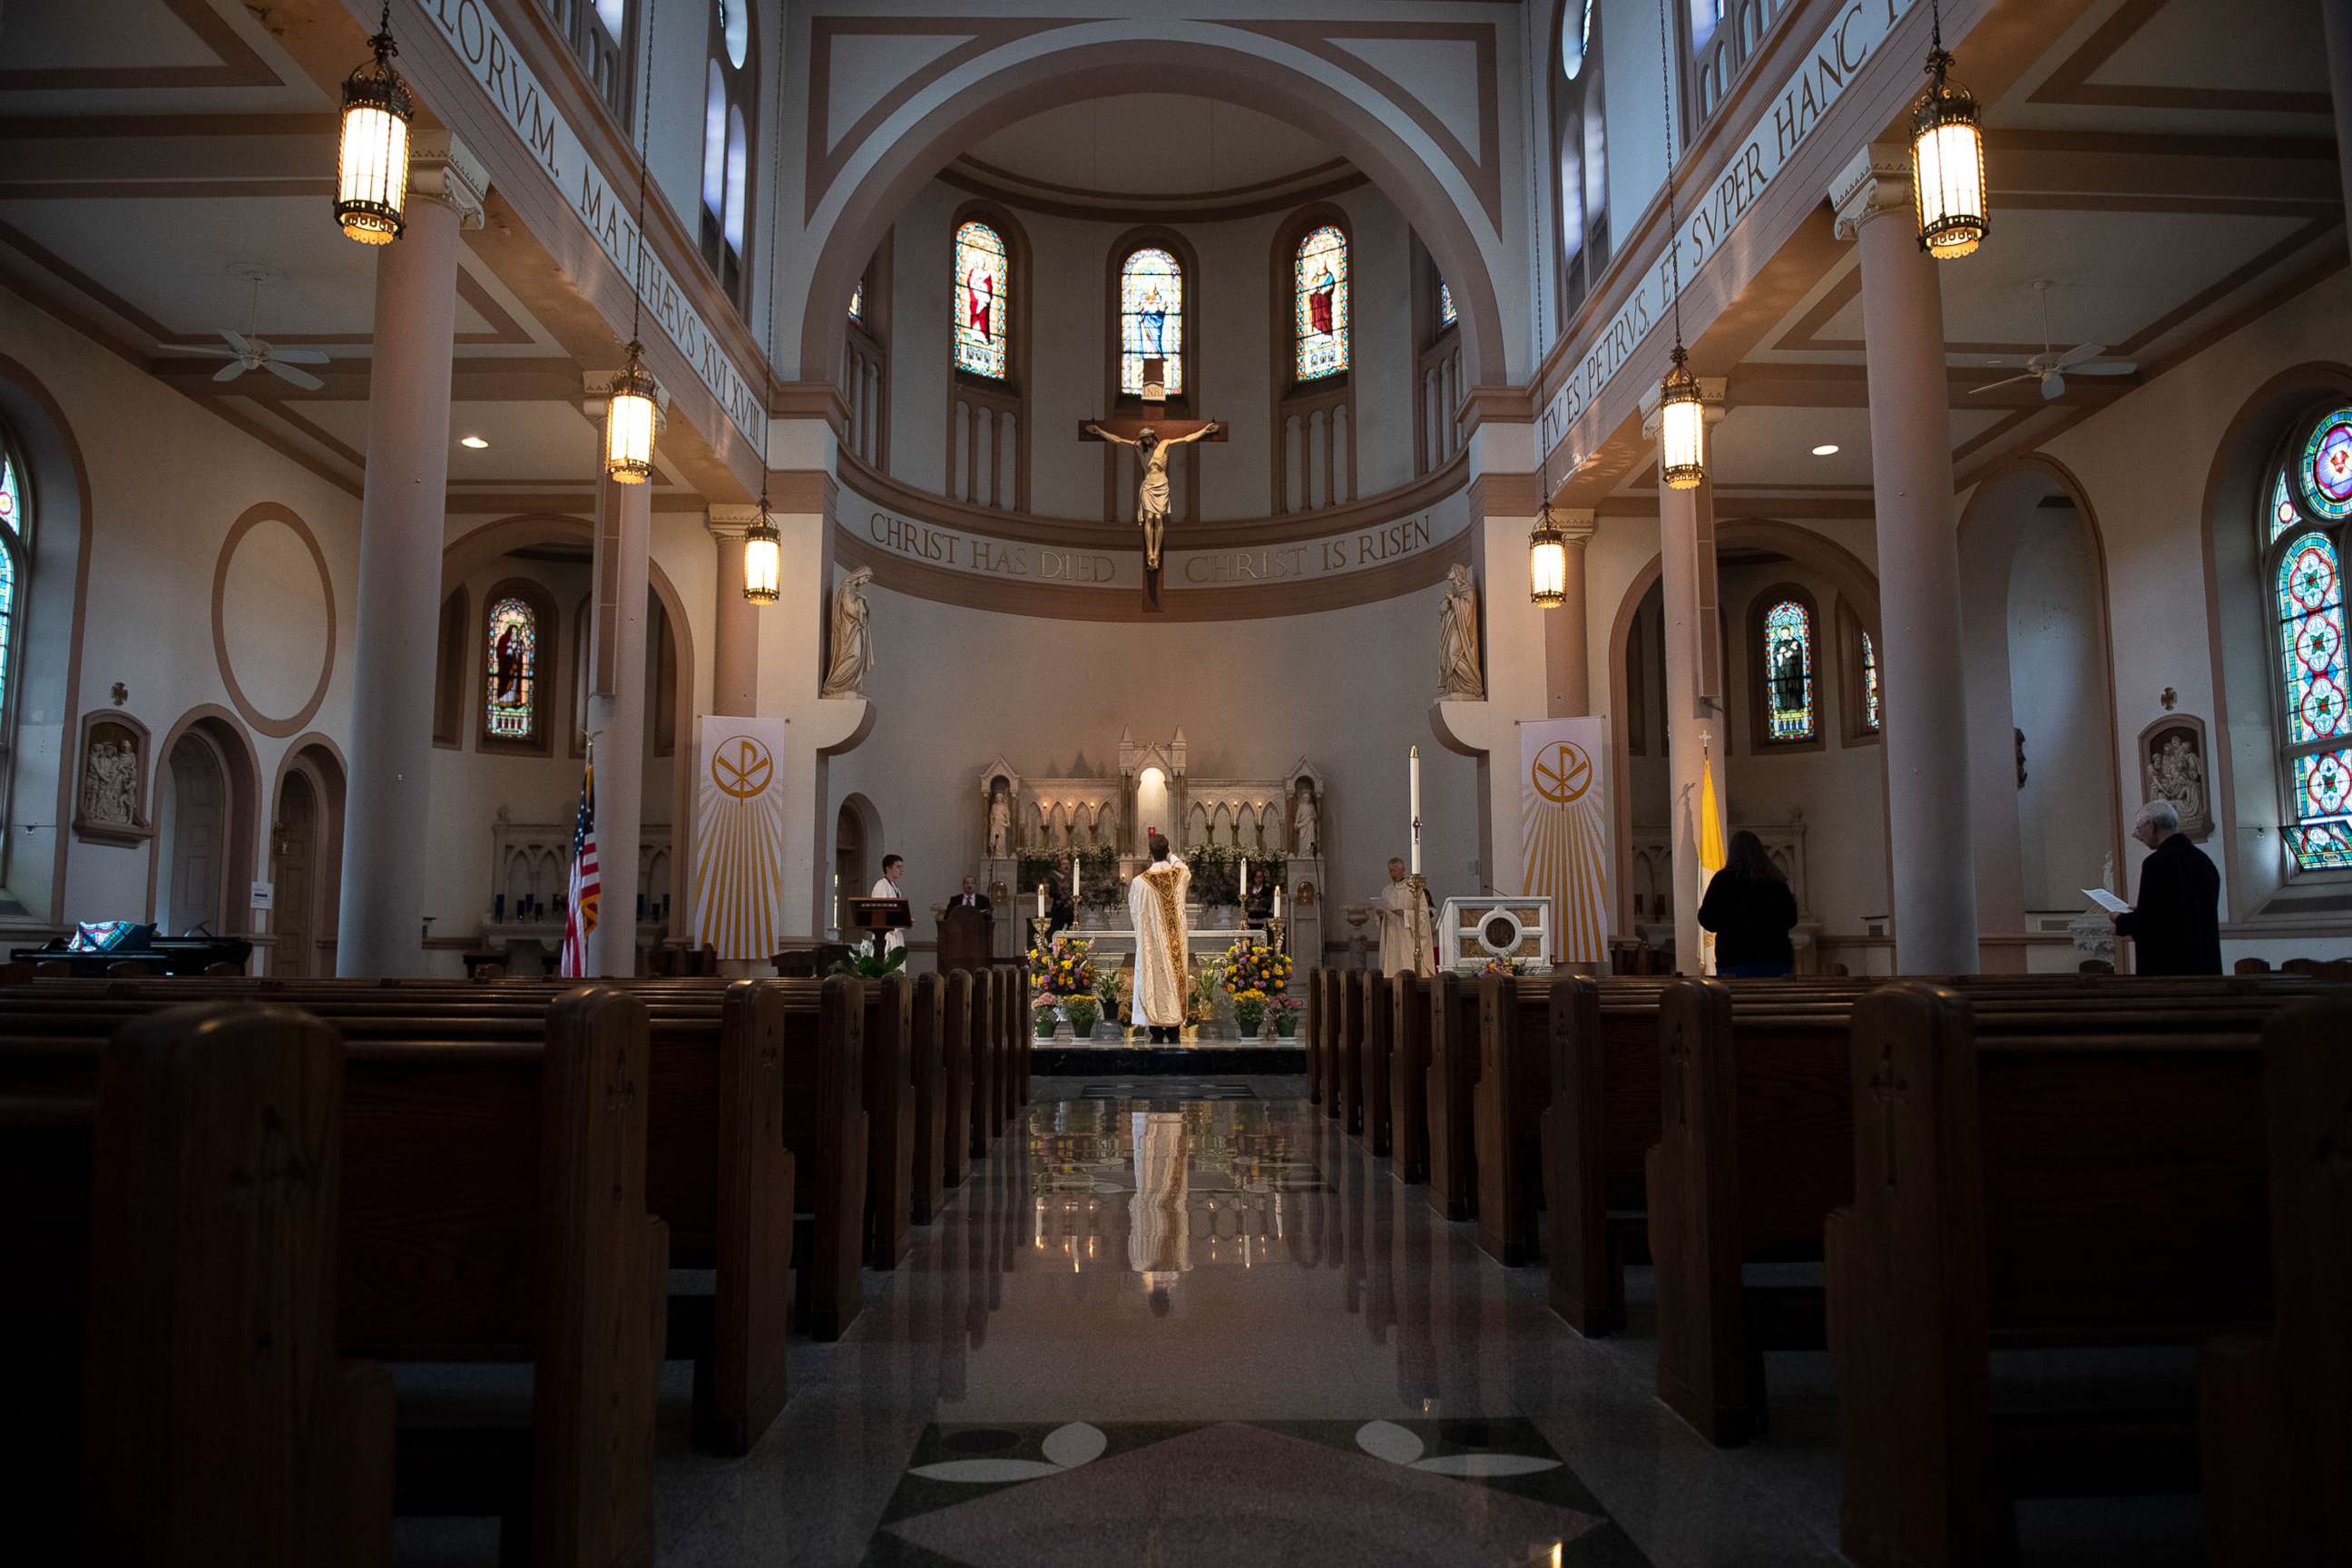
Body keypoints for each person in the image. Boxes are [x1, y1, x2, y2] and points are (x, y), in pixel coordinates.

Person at [2112, 798, 2221, 975]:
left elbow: (2150, 925)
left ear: (2151, 826)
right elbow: (2181, 911)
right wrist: (2144, 910)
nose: (2140, 837)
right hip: (2204, 965)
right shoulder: (2204, 861)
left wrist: (2120, 919)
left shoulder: (2156, 863)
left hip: (2168, 969)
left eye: (2140, 830)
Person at [1698, 830, 1798, 978]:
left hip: (1734, 958)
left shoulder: (1723, 880)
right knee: (1775, 999)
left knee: (1737, 1000)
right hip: (1775, 957)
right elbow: (1791, 918)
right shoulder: (1775, 880)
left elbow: (1707, 919)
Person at [1126, 833, 1192, 1044]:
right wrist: (1171, 856)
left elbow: (1135, 913)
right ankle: (1173, 1030)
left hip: (1152, 944)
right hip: (1175, 944)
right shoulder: (1180, 875)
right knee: (1173, 980)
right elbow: (1182, 865)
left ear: (1149, 854)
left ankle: (1155, 1030)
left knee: (1153, 977)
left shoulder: (1139, 882)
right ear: (1168, 850)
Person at [1373, 857, 1436, 975]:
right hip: (1392, 937)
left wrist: (1406, 914)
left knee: (1408, 969)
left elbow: (1423, 915)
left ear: (1403, 870)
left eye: (1395, 871)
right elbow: (1381, 918)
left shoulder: (1414, 889)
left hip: (1408, 938)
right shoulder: (1386, 891)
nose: (1392, 874)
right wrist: (1381, 916)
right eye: (1390, 871)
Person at [868, 853, 906, 958]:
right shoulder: (881, 885)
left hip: (896, 933)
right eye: (898, 867)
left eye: (901, 867)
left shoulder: (895, 888)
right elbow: (880, 912)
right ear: (888, 868)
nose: (901, 870)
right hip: (885, 935)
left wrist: (905, 918)